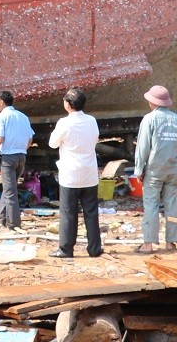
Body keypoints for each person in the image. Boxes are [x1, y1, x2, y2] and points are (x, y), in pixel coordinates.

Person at [133, 84, 177, 253]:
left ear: (152, 102)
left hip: (155, 170)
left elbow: (143, 147)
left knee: (151, 204)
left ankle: (148, 244)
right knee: (171, 204)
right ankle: (171, 243)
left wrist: (139, 169)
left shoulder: (149, 119)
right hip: (173, 170)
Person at [48, 87, 103, 258]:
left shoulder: (64, 123)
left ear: (69, 104)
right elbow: (95, 139)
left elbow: (52, 144)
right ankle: (94, 249)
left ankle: (66, 249)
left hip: (70, 175)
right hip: (89, 173)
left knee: (68, 213)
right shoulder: (91, 120)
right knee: (91, 212)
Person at [0, 90, 35, 230]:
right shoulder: (23, 116)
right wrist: (22, 149)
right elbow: (30, 139)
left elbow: (0, 139)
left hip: (8, 158)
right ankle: (1, 219)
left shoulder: (1, 117)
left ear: (2, 102)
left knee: (10, 192)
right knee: (8, 189)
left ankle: (13, 224)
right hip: (21, 157)